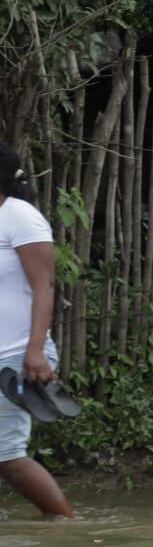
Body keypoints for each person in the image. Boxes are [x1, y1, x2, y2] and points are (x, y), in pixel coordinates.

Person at [0, 143, 73, 518]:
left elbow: (44, 286)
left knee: (8, 457)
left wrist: (35, 350)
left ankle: (64, 525)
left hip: (15, 353)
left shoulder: (20, 217)